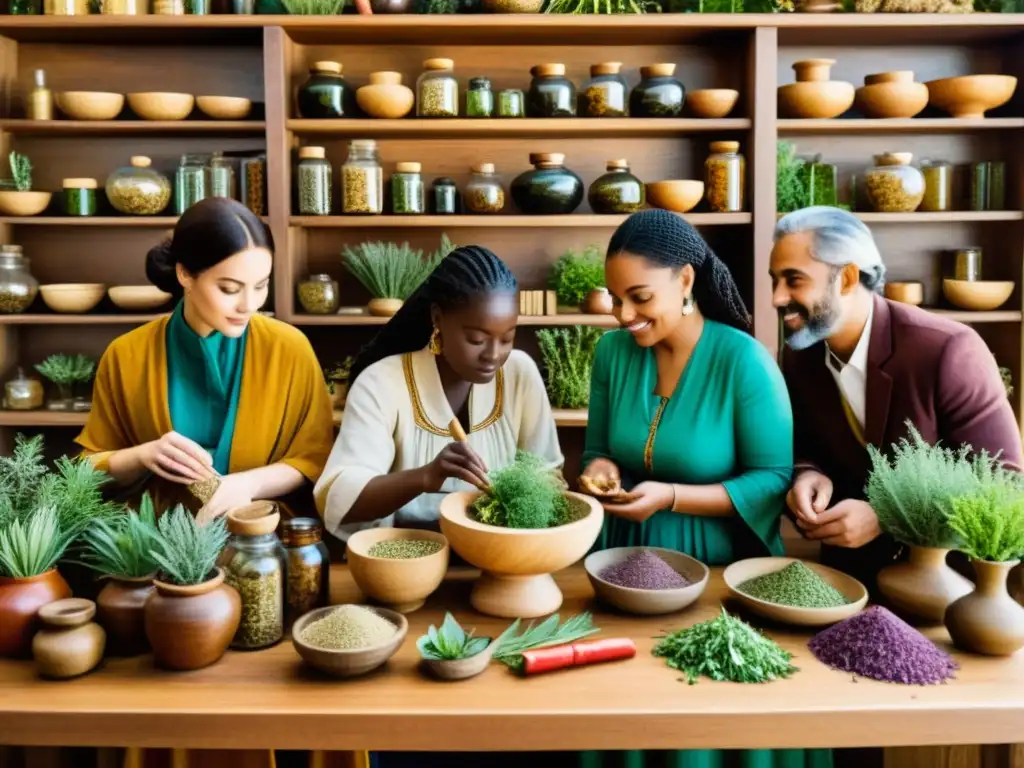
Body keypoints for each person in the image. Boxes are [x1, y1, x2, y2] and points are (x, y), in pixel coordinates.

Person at [578, 209, 830, 768]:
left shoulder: (743, 362)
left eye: (639, 297)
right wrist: (602, 475)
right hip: (620, 572)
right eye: (616, 298)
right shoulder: (611, 355)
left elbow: (772, 481)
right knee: (620, 720)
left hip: (719, 582)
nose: (623, 316)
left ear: (686, 280)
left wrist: (668, 496)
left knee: (699, 722)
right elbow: (596, 449)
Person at [771, 206, 1023, 591]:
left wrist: (886, 517)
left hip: (951, 593)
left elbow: (1004, 484)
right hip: (847, 585)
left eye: (794, 280)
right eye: (775, 280)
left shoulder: (949, 349)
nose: (776, 297)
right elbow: (805, 444)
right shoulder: (801, 354)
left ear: (847, 278)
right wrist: (808, 474)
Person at [77, 197, 334, 522]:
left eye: (261, 286)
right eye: (229, 289)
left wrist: (248, 483)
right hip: (153, 546)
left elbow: (315, 458)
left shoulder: (289, 348)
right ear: (185, 274)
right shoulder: (127, 354)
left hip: (262, 544)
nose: (248, 305)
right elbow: (87, 468)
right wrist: (142, 456)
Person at [314, 244, 564, 543]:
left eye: (507, 338)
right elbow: (337, 499)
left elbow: (548, 478)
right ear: (437, 319)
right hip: (407, 567)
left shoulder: (519, 374)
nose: (493, 355)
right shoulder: (381, 383)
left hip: (500, 560)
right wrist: (423, 477)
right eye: (476, 339)